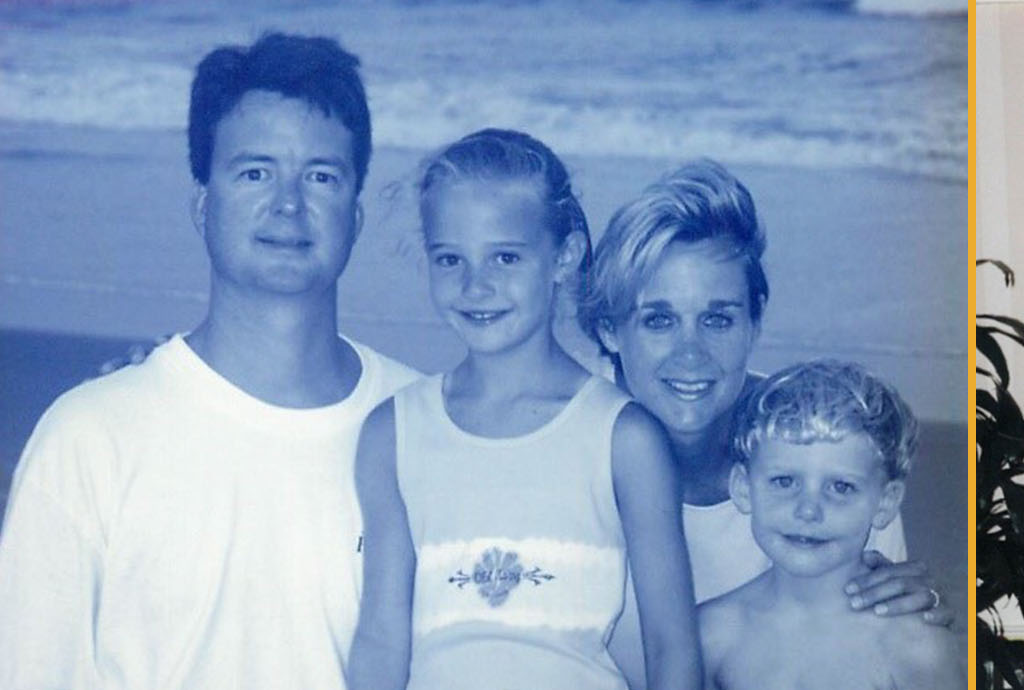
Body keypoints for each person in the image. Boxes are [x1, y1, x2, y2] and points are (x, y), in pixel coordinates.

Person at [0, 33, 420, 689]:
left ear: (356, 214)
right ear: (202, 205)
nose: (289, 204)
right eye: (255, 172)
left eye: (321, 176)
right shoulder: (91, 437)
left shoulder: (424, 428)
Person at [345, 128, 700, 690]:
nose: (476, 285)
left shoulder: (622, 438)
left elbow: (672, 650)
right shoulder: (394, 432)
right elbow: (382, 638)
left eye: (505, 257)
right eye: (449, 260)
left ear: (564, 257)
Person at [583, 159, 949, 690]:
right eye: (658, 319)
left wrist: (913, 609)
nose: (691, 354)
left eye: (718, 318)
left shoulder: (822, 442)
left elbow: (870, 636)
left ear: (755, 321)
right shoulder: (561, 447)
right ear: (609, 330)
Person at [697, 360, 963, 689]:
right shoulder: (711, 635)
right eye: (784, 481)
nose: (808, 510)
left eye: (840, 487)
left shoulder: (916, 648)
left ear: (886, 502)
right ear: (742, 487)